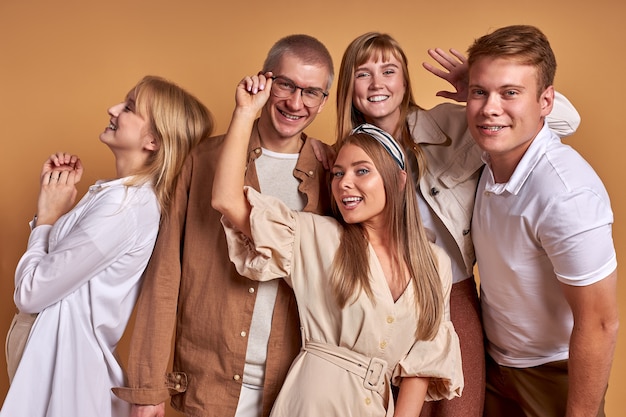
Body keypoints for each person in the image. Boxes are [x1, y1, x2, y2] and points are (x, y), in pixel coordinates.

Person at [332, 32, 581, 417]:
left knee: (459, 409)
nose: (378, 83)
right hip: (378, 301)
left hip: (451, 296)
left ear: (405, 80)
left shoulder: (453, 124)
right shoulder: (341, 158)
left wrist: (480, 89)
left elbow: (565, 119)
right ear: (348, 87)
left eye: (389, 70)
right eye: (363, 74)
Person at [212, 72, 463, 416]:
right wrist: (244, 113)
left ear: (399, 179)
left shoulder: (434, 264)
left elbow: (422, 363)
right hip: (312, 402)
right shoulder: (317, 236)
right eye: (338, 173)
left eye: (362, 171)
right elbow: (227, 199)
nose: (345, 183)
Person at [112, 35, 334, 417]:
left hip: (296, 389)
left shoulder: (334, 173)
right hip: (208, 384)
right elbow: (165, 275)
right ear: (264, 80)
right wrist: (147, 388)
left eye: (311, 92)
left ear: (324, 99)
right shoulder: (202, 160)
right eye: (285, 84)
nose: (296, 103)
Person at [1, 75, 214, 417]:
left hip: (68, 382)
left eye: (129, 107)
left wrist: (47, 217)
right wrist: (54, 210)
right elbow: (54, 271)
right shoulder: (114, 197)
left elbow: (30, 292)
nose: (112, 109)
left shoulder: (123, 210)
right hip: (55, 369)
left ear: (154, 140)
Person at [466, 25, 619, 417]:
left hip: (554, 373)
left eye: (510, 92)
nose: (489, 108)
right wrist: (488, 92)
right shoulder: (491, 152)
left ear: (546, 101)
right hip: (494, 362)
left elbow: (600, 322)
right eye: (479, 91)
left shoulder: (567, 194)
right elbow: (548, 116)